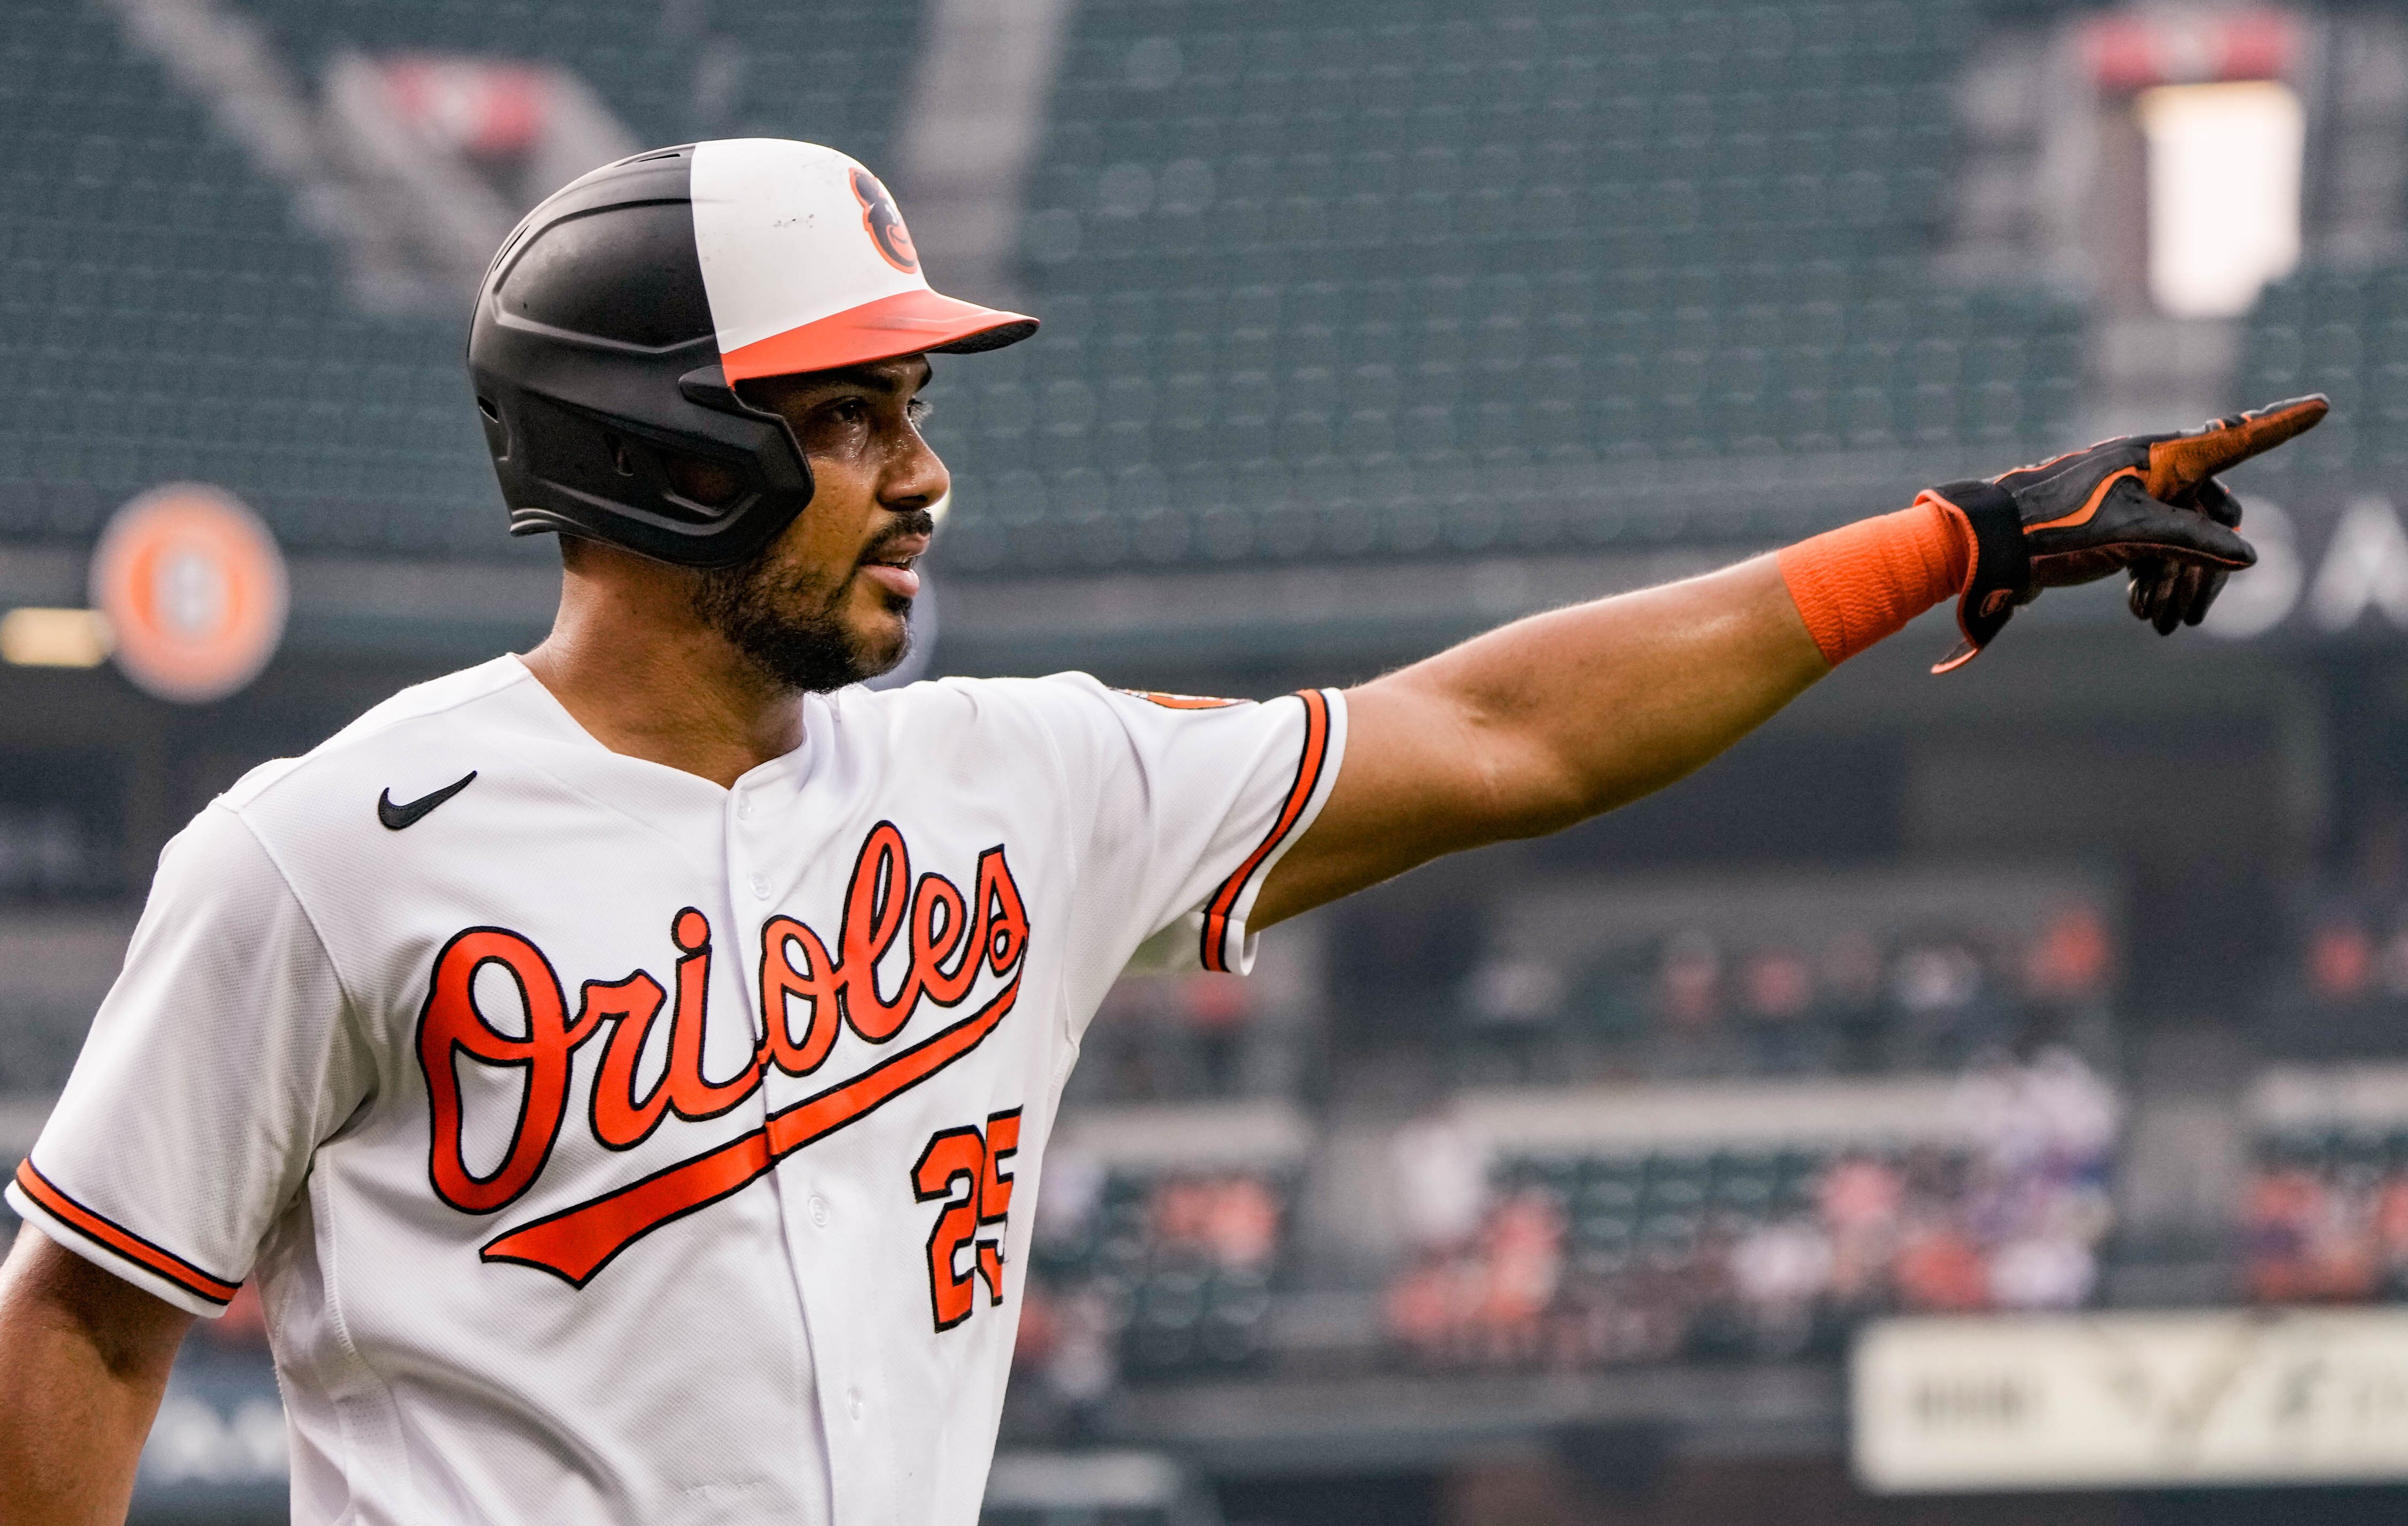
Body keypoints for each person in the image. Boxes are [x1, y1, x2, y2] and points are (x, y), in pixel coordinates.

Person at [0, 138, 2326, 1525]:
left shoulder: (1024, 787)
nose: (925, 472)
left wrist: (1945, 542)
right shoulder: (328, 852)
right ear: (661, 447)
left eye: (917, 407)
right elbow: (90, 1322)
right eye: (856, 415)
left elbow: (1503, 735)